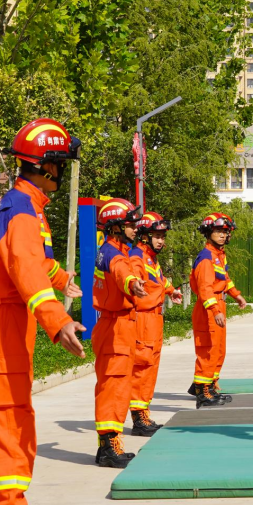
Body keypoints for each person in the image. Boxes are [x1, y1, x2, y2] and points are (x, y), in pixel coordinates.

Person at [0, 118, 84, 505]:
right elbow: (25, 269)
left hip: (2, 325)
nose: (62, 175)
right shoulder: (22, 210)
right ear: (47, 166)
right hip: (2, 326)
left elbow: (33, 263)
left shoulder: (22, 206)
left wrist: (61, 278)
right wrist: (58, 320)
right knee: (7, 428)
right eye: (61, 166)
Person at [92, 198, 147, 466]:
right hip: (115, 327)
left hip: (118, 325)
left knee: (117, 386)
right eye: (129, 224)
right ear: (114, 226)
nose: (135, 228)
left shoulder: (114, 250)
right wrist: (132, 283)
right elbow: (121, 272)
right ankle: (108, 447)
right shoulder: (113, 254)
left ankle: (108, 445)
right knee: (112, 387)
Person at [127, 212, 182, 437]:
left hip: (154, 319)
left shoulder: (150, 258)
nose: (161, 240)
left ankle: (144, 413)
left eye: (162, 236)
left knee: (150, 368)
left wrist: (171, 290)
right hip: (143, 318)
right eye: (156, 236)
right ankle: (138, 417)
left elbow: (158, 280)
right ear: (144, 235)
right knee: (142, 368)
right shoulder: (136, 257)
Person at [190, 213, 247, 408]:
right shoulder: (206, 257)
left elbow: (224, 279)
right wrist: (215, 310)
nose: (223, 235)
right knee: (208, 351)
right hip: (208, 308)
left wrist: (236, 294)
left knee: (218, 350)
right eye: (218, 232)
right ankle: (202, 392)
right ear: (208, 232)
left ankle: (211, 385)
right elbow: (205, 288)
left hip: (217, 304)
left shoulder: (218, 256)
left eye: (225, 232)